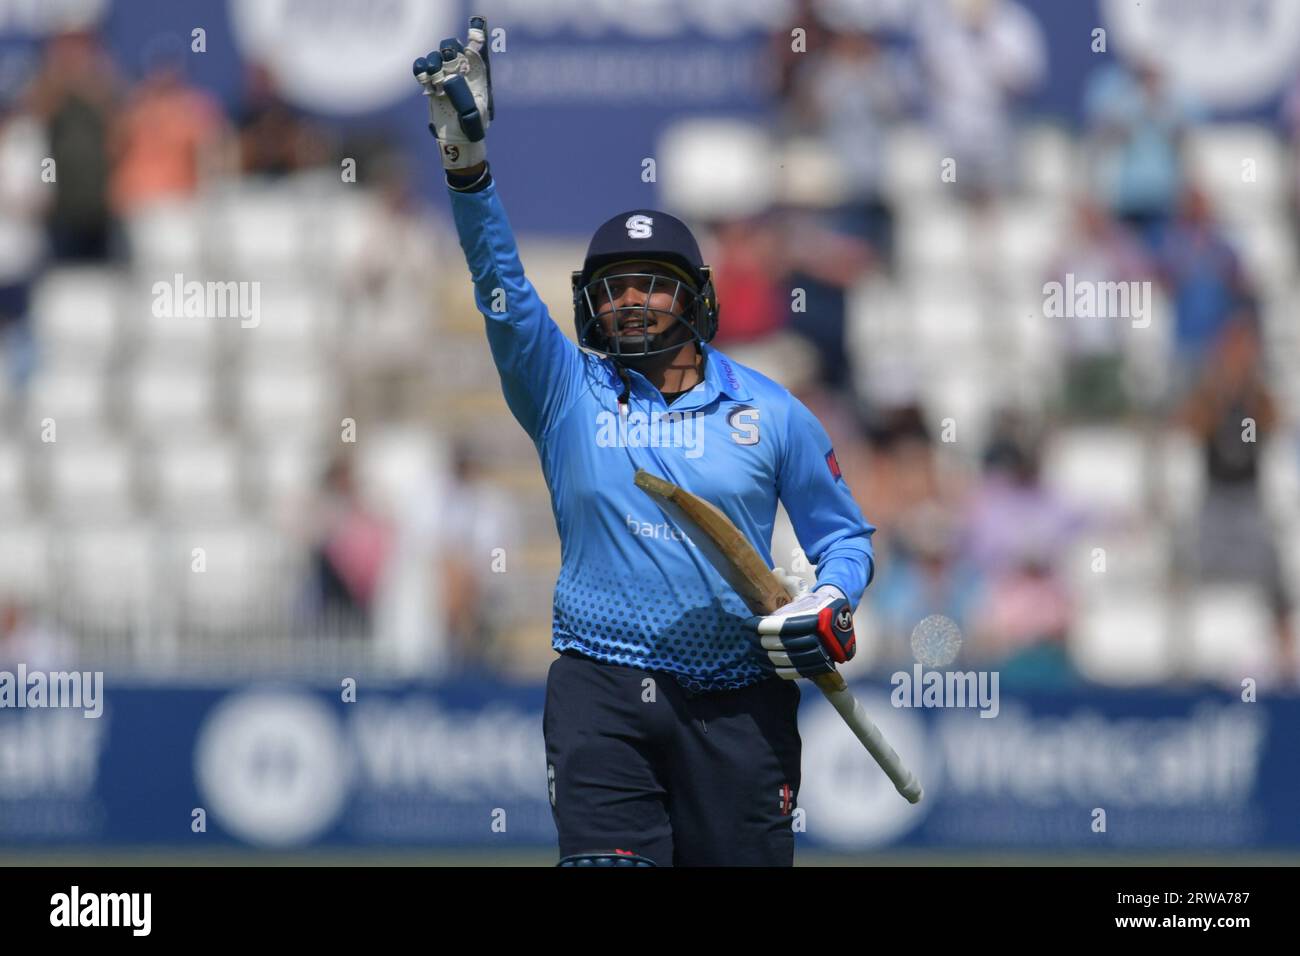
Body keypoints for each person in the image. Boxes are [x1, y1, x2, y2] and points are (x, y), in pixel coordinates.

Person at [414, 19, 877, 866]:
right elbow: (503, 288)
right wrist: (468, 171)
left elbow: (843, 538)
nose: (630, 302)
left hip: (740, 702)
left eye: (651, 286)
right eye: (614, 287)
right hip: (599, 688)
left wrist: (829, 603)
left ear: (694, 300)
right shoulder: (563, 390)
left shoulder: (772, 411)